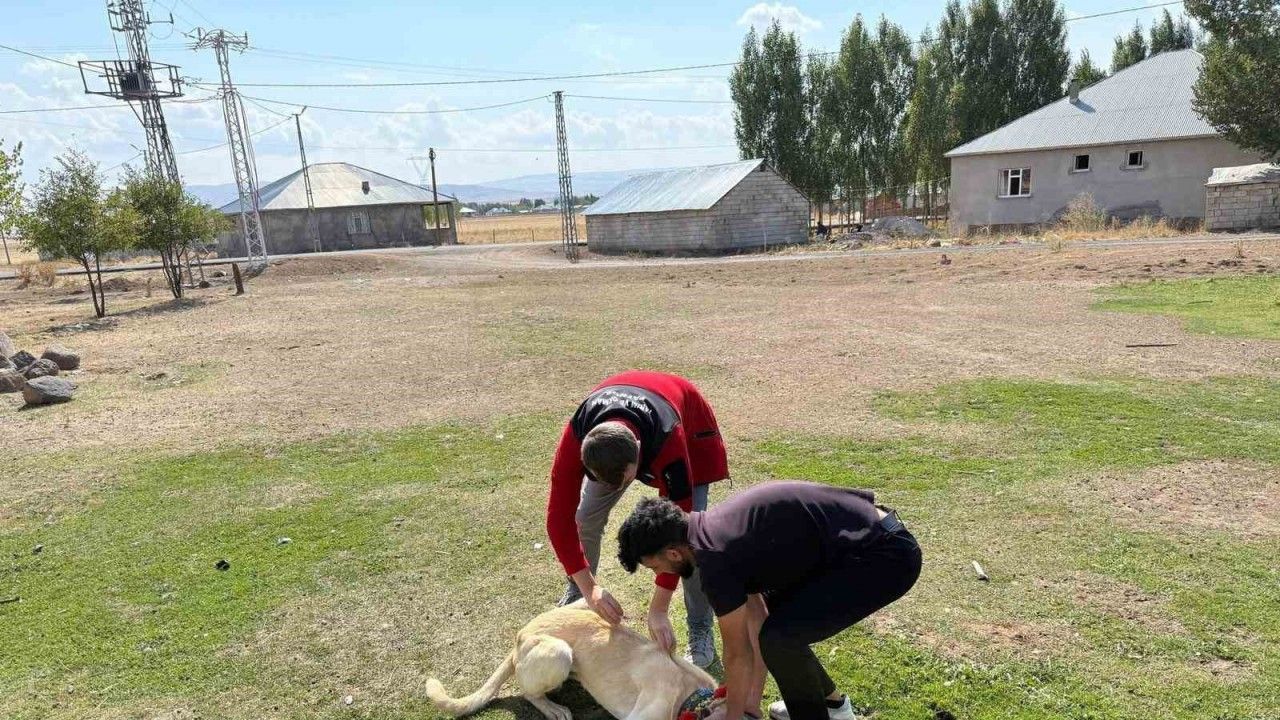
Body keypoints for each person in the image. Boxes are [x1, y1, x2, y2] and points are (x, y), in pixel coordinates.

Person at [616, 481, 922, 720]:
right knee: (777, 627)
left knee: (780, 637)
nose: (661, 573)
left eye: (655, 567)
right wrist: (748, 705)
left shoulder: (715, 559)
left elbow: (737, 654)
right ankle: (834, 706)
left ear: (673, 553)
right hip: (869, 542)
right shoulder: (713, 531)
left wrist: (732, 716)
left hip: (885, 557)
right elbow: (757, 620)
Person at [547, 370, 729, 668]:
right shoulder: (578, 435)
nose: (616, 489)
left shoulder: (668, 439)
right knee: (585, 517)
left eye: (624, 480)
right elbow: (559, 519)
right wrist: (589, 588)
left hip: (686, 423)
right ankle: (578, 593)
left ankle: (700, 626)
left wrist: (659, 607)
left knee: (694, 540)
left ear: (640, 454)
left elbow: (679, 535)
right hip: (620, 437)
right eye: (602, 480)